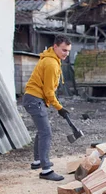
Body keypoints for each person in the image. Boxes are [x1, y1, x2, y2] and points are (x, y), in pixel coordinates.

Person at [22, 35, 72, 181]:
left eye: (68, 51)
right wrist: (59, 108)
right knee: (46, 132)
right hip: (34, 99)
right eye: (64, 50)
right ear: (55, 46)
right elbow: (49, 92)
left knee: (42, 130)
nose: (66, 54)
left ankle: (38, 161)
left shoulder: (52, 59)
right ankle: (46, 170)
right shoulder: (51, 63)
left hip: (34, 98)